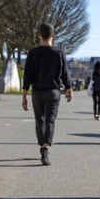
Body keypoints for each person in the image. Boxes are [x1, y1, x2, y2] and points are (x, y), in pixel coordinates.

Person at [21, 23, 72, 166]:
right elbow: (65, 74)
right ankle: (45, 147)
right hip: (53, 92)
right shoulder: (59, 53)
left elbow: (27, 76)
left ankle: (41, 145)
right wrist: (69, 88)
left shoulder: (32, 53)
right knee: (50, 120)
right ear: (53, 35)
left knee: (40, 120)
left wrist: (24, 96)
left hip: (37, 92)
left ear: (39, 35)